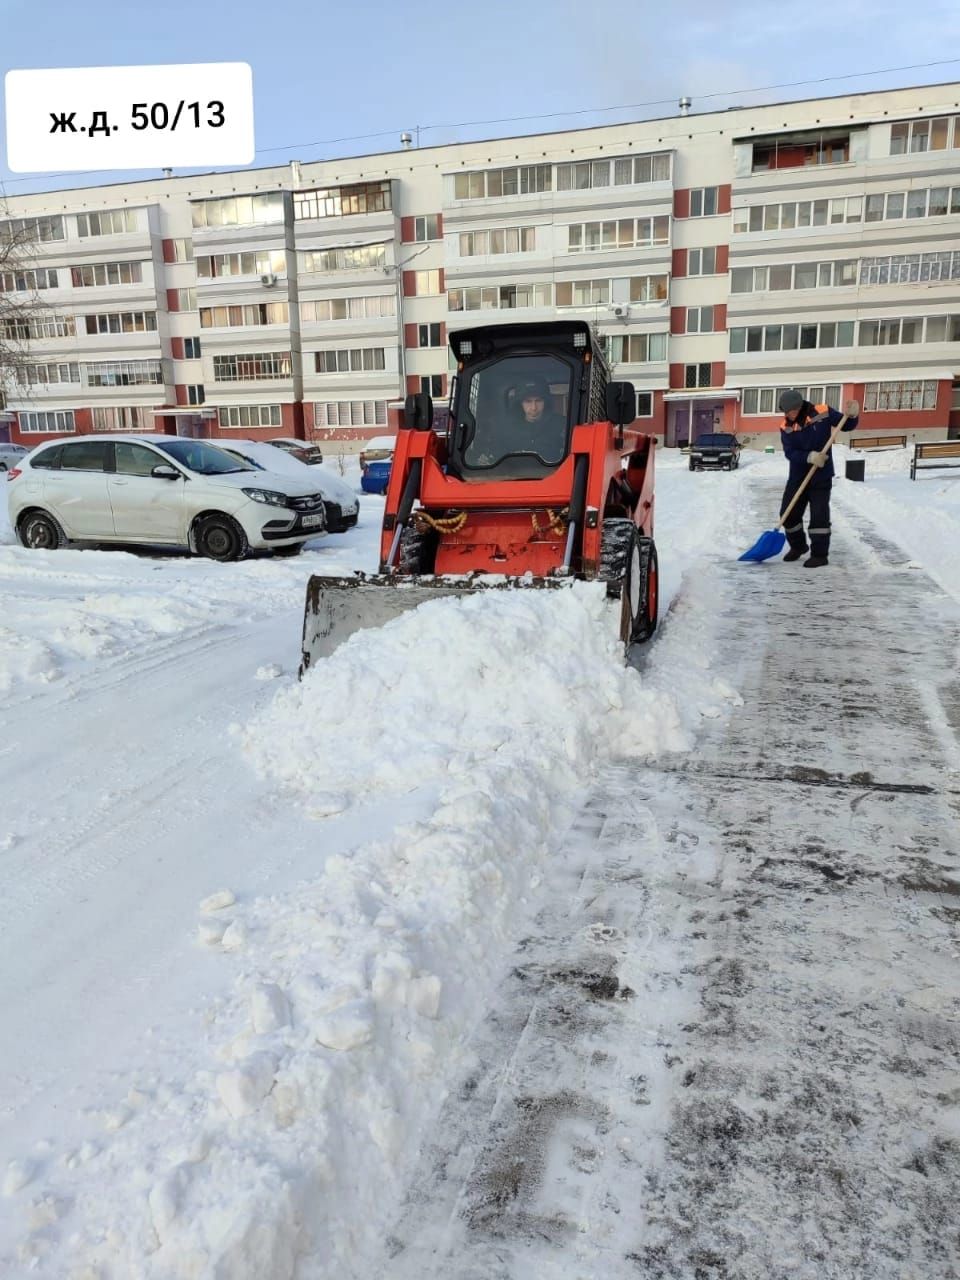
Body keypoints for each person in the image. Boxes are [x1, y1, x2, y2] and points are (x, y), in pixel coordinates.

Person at [777, 390, 860, 568]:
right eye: (784, 412)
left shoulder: (823, 412)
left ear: (798, 407)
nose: (787, 415)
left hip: (821, 476)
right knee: (788, 515)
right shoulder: (786, 426)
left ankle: (820, 555)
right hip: (798, 476)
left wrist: (853, 415)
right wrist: (809, 457)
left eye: (789, 411)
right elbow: (790, 452)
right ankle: (799, 547)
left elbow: (846, 425)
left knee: (819, 517)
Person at [510, 377, 567, 456]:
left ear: (546, 402)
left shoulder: (562, 425)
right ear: (520, 403)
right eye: (528, 401)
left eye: (538, 401)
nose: (534, 407)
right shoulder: (509, 428)